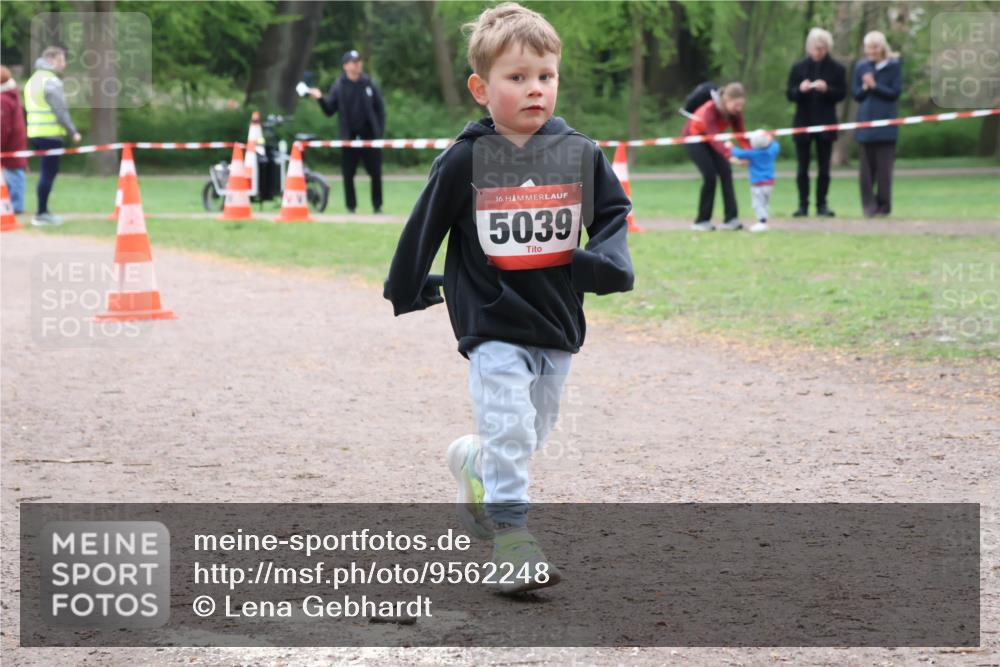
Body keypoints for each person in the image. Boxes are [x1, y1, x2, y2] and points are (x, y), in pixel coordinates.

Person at [383, 2, 634, 594]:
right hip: (489, 315)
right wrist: (409, 282)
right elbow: (426, 224)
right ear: (481, 87)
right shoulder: (466, 158)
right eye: (516, 78)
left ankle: (476, 462)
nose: (534, 90)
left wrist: (606, 262)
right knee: (511, 423)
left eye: (545, 76)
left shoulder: (579, 153)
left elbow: (615, 214)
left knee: (530, 430)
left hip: (554, 314)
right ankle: (513, 540)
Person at [308, 50, 386, 214]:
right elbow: (330, 110)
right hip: (348, 138)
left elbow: (380, 109)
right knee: (348, 174)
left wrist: (379, 132)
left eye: (359, 61)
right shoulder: (339, 86)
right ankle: (351, 207)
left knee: (376, 173)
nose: (357, 64)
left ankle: (377, 206)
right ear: (346, 66)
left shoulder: (368, 83)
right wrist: (320, 98)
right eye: (353, 61)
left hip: (369, 137)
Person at [786, 28, 846, 218]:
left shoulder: (837, 69)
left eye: (821, 48)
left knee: (824, 167)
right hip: (803, 122)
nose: (818, 52)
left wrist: (827, 89)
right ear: (809, 47)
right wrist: (800, 90)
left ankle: (822, 204)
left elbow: (842, 94)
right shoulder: (798, 68)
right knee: (802, 167)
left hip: (825, 123)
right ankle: (802, 205)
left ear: (827, 48)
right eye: (815, 48)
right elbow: (790, 94)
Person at [24, 46, 81, 226]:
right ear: (51, 60)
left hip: (34, 133)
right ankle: (41, 213)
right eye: (61, 60)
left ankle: (42, 211)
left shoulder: (32, 80)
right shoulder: (51, 81)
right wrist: (73, 131)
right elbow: (60, 110)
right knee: (48, 173)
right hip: (50, 134)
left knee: (45, 172)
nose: (64, 64)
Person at [682, 82, 751, 231]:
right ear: (726, 100)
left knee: (726, 173)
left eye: (741, 105)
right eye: (736, 105)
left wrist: (749, 154)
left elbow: (741, 135)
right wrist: (729, 155)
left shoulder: (735, 114)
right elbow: (713, 137)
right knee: (710, 175)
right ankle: (701, 221)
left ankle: (731, 219)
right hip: (695, 138)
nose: (739, 109)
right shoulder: (710, 110)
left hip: (712, 140)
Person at [853, 31, 902, 217]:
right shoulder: (861, 67)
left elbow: (895, 93)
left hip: (886, 126)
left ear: (882, 47)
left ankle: (884, 206)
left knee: (884, 170)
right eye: (868, 47)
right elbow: (856, 95)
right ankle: (869, 206)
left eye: (875, 47)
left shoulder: (894, 66)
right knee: (865, 171)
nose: (871, 51)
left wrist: (875, 86)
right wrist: (865, 88)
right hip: (866, 125)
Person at [730, 130, 780, 232]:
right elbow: (776, 144)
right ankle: (764, 220)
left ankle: (762, 222)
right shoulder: (772, 151)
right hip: (769, 183)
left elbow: (738, 153)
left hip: (757, 184)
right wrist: (771, 138)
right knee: (765, 203)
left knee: (757, 204)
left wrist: (729, 146)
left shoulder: (753, 153)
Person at [0, 66, 28, 214]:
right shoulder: (11, 95)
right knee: (15, 173)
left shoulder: (3, 99)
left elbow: (3, 127)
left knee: (14, 174)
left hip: (10, 145)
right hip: (15, 142)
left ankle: (16, 207)